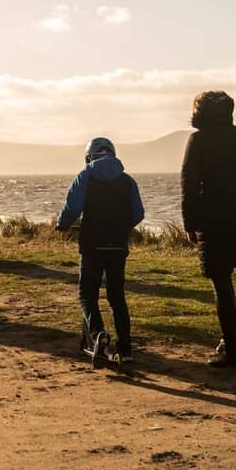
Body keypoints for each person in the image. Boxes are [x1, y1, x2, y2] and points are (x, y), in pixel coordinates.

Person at [181, 91, 236, 368]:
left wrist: (190, 223)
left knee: (221, 281)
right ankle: (228, 345)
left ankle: (231, 350)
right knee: (224, 277)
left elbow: (189, 184)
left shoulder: (199, 139)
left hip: (212, 220)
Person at [56, 137, 145, 364]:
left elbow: (73, 206)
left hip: (92, 244)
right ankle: (125, 348)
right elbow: (138, 213)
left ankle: (97, 336)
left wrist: (63, 224)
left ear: (89, 157)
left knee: (87, 294)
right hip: (117, 245)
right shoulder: (127, 181)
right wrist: (122, 225)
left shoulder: (85, 176)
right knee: (117, 297)